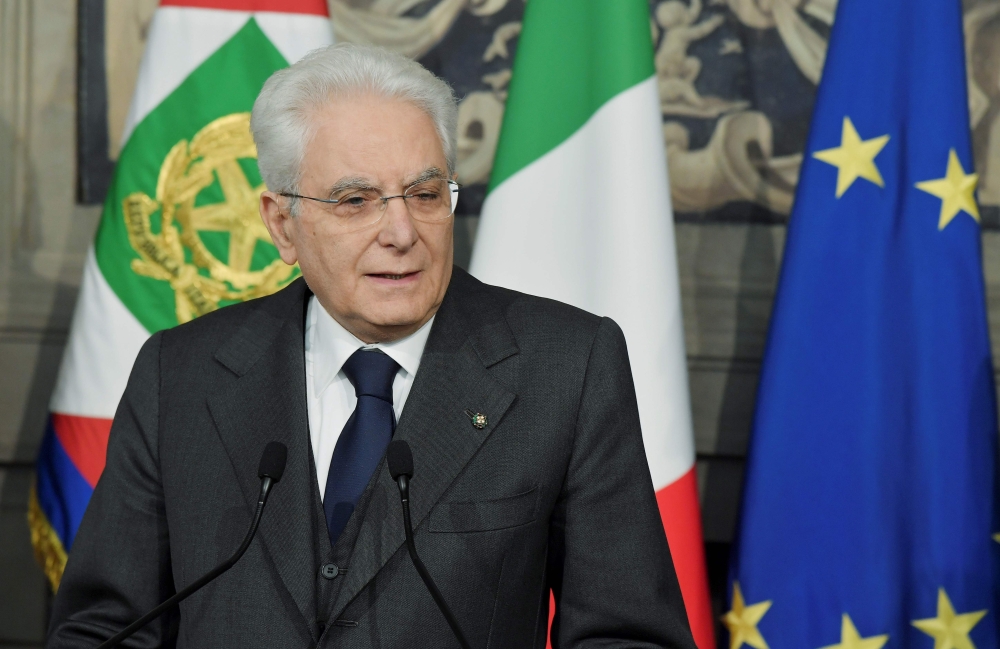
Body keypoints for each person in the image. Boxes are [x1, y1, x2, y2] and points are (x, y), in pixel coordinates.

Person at [47, 44, 696, 648]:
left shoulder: (565, 367)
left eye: (423, 193)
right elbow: (105, 626)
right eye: (355, 201)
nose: (401, 231)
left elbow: (628, 634)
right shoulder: (181, 374)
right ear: (281, 222)